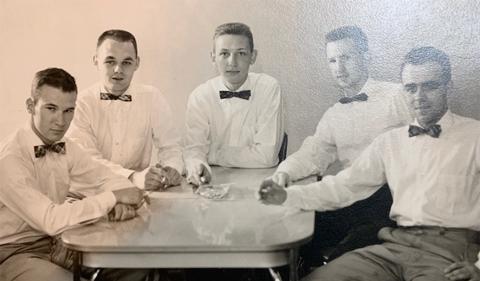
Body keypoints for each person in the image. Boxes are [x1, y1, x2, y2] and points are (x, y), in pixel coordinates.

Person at [260, 46, 480, 281]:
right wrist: (287, 196)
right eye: (411, 88)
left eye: (430, 86)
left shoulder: (475, 135)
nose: (419, 97)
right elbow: (344, 186)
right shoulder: (390, 141)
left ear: (449, 87)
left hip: (451, 255)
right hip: (394, 246)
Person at [262, 25, 413, 264]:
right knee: (284, 230)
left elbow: (428, 145)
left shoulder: (398, 95)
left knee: (341, 259)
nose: (339, 68)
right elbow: (314, 153)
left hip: (392, 203)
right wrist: (283, 173)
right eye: (332, 60)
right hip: (353, 197)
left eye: (346, 58)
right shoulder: (335, 114)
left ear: (366, 57)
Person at [0, 68, 149, 281]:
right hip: (14, 251)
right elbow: (51, 219)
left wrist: (121, 195)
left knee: (137, 265)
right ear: (31, 106)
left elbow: (104, 178)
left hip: (60, 239)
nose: (61, 121)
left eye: (68, 110)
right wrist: (113, 198)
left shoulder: (66, 146)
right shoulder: (9, 159)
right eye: (51, 108)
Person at [67, 29, 183, 191]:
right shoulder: (81, 103)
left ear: (137, 63)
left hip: (138, 191)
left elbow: (171, 146)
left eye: (126, 62)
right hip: (90, 191)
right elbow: (87, 161)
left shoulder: (152, 97)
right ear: (96, 61)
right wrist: (132, 177)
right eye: (110, 61)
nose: (118, 70)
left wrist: (172, 169)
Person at [183, 22, 285, 186]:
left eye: (241, 53)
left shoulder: (269, 88)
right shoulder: (200, 95)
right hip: (214, 183)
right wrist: (197, 165)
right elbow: (194, 150)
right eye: (224, 53)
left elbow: (267, 156)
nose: (232, 62)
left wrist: (212, 154)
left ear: (253, 56)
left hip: (259, 184)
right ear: (213, 57)